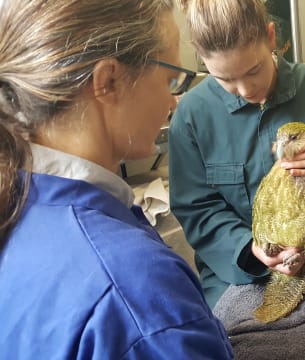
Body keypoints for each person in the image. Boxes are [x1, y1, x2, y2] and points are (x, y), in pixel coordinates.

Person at [0, 0, 233, 358]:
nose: (173, 102)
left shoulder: (16, 203)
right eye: (170, 80)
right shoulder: (137, 292)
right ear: (108, 81)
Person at [169, 0, 305, 309]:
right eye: (225, 80)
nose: (245, 89)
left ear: (271, 37)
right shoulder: (192, 115)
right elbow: (196, 210)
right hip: (234, 272)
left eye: (254, 70)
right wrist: (249, 250)